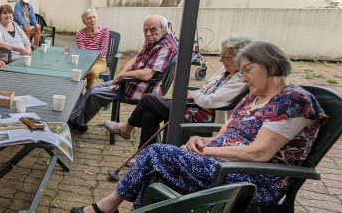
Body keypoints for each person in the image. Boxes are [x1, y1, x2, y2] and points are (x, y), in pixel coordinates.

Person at [71, 41, 325, 213]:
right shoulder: (252, 98)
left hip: (254, 181)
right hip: (222, 165)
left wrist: (207, 150)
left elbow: (259, 153)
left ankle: (109, 208)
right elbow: (223, 134)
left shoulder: (292, 100)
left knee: (156, 154)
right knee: (154, 171)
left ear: (270, 65)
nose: (243, 77)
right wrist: (200, 140)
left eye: (247, 70)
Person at [103, 34, 253, 154]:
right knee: (149, 115)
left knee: (149, 98)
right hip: (193, 109)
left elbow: (211, 101)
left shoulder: (240, 79)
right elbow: (205, 89)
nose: (220, 60)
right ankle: (143, 156)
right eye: (222, 54)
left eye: (225, 56)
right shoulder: (225, 70)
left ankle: (127, 128)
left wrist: (193, 95)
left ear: (239, 58)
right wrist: (196, 94)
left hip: (202, 118)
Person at [68, 15, 179, 133]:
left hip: (143, 87)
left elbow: (147, 75)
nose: (148, 33)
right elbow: (136, 58)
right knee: (92, 89)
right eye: (145, 30)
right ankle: (75, 120)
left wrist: (122, 76)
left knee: (95, 94)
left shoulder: (165, 46)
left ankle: (76, 122)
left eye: (153, 29)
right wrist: (121, 74)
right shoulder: (155, 39)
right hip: (132, 80)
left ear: (164, 28)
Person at [75, 8, 110, 91]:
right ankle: (77, 94)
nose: (92, 20)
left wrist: (90, 66)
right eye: (89, 18)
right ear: (84, 22)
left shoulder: (105, 31)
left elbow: (103, 52)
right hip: (85, 61)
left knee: (93, 71)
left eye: (94, 17)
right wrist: (88, 64)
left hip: (100, 61)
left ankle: (89, 93)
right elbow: (83, 52)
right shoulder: (79, 34)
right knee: (77, 72)